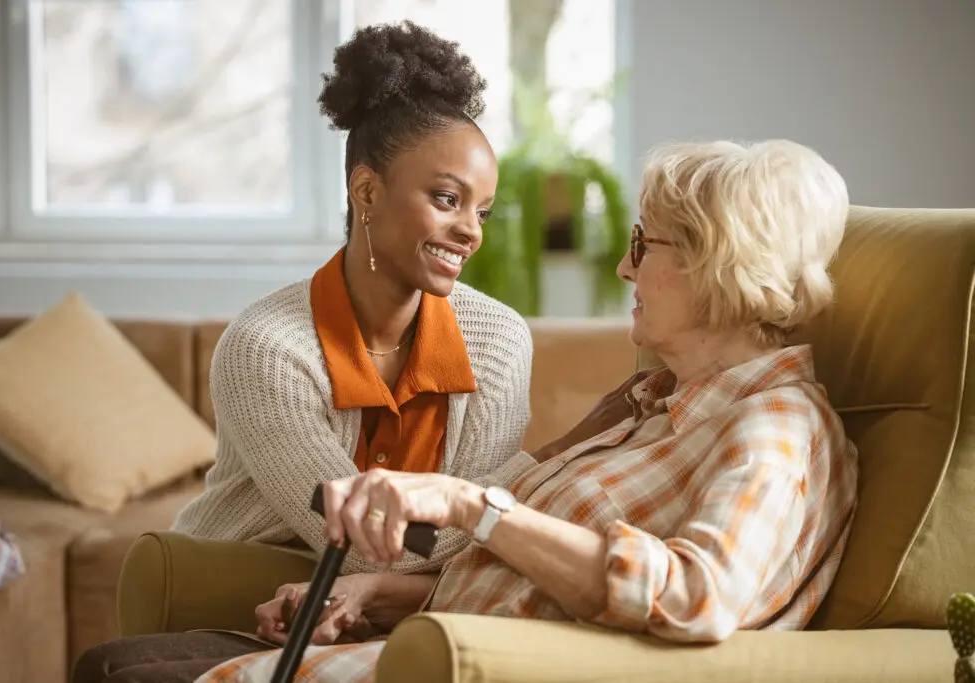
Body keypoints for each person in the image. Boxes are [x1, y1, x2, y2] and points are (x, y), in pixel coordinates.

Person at [193, 138, 861, 683]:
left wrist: (469, 504)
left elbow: (695, 595)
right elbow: (536, 592)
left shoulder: (770, 428)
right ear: (365, 193)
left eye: (642, 245)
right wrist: (387, 596)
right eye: (446, 199)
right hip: (426, 645)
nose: (625, 272)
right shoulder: (656, 407)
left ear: (715, 262)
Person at [72, 20, 535, 683]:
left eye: (482, 211)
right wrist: (516, 488)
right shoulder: (266, 347)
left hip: (401, 609)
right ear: (367, 192)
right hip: (245, 589)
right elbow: (376, 541)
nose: (470, 231)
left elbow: (471, 531)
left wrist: (492, 508)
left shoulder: (499, 342)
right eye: (446, 199)